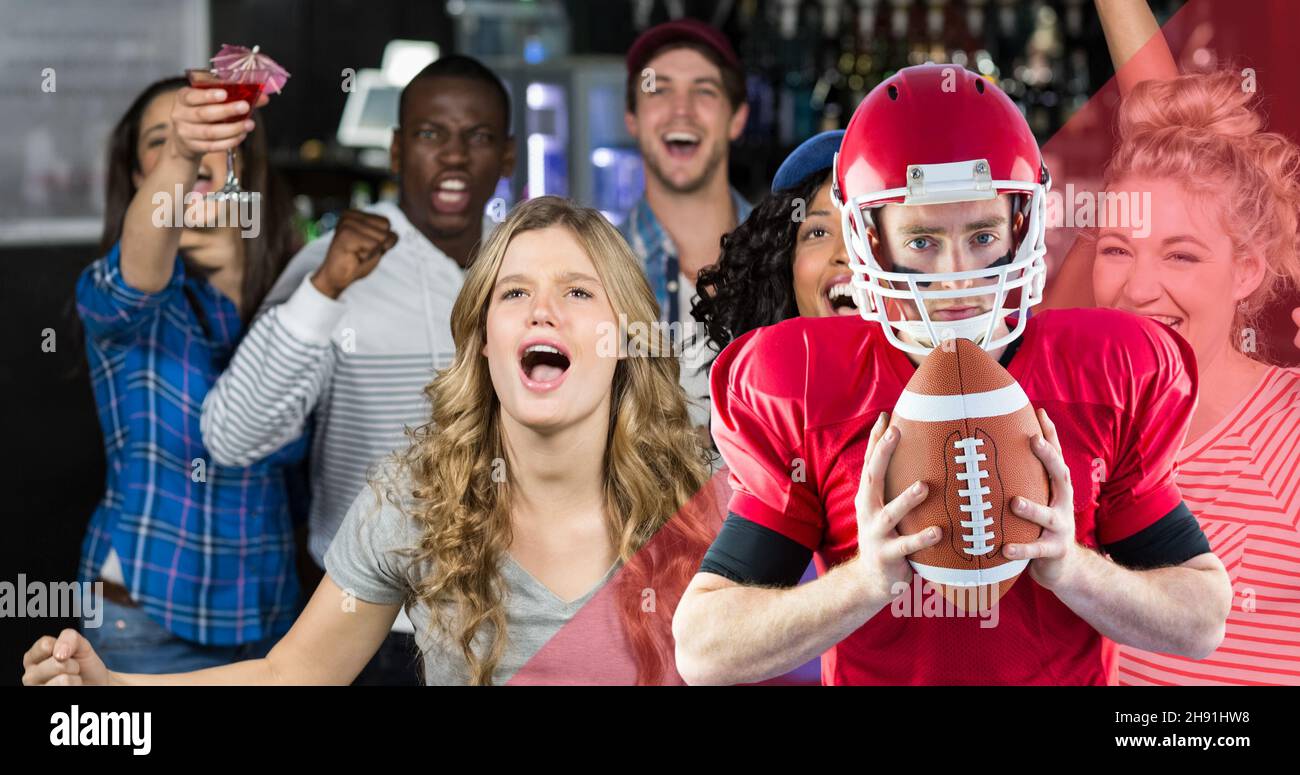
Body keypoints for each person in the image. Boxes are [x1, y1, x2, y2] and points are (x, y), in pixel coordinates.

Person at [671, 64, 1232, 686]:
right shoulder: (804, 380)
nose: (959, 276)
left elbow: (1201, 619)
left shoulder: (1111, 370)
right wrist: (865, 581)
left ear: (1023, 228)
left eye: (983, 234)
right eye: (922, 241)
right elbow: (704, 651)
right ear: (868, 243)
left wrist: (1073, 569)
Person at [23, 197, 719, 686]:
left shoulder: (707, 491)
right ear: (481, 342)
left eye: (576, 292)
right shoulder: (418, 498)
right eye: (513, 294)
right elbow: (291, 673)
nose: (542, 308)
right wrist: (112, 686)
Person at [198, 55, 516, 684]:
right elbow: (230, 438)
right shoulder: (333, 264)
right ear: (396, 152)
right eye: (430, 135)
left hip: (513, 625)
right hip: (371, 632)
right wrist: (325, 287)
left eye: (477, 137)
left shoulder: (529, 269)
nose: (454, 156)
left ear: (506, 157)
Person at [74, 75, 304, 673]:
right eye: (163, 140)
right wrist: (184, 149)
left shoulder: (300, 294)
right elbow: (137, 276)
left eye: (214, 132)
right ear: (138, 177)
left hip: (275, 618)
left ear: (245, 160)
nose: (196, 146)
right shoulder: (121, 293)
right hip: (146, 620)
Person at [1090, 71, 1300, 685]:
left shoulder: (1288, 437)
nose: (1138, 289)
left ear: (1245, 273)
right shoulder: (1068, 433)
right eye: (1116, 249)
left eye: (1181, 254)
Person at [620, 18, 752, 434]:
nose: (681, 109)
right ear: (632, 120)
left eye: (704, 91)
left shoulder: (792, 258)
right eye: (658, 90)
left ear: (737, 119)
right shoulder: (591, 268)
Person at [693, 130, 847, 355]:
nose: (846, 253)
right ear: (784, 268)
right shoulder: (737, 387)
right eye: (818, 233)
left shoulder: (919, 381)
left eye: (864, 226)